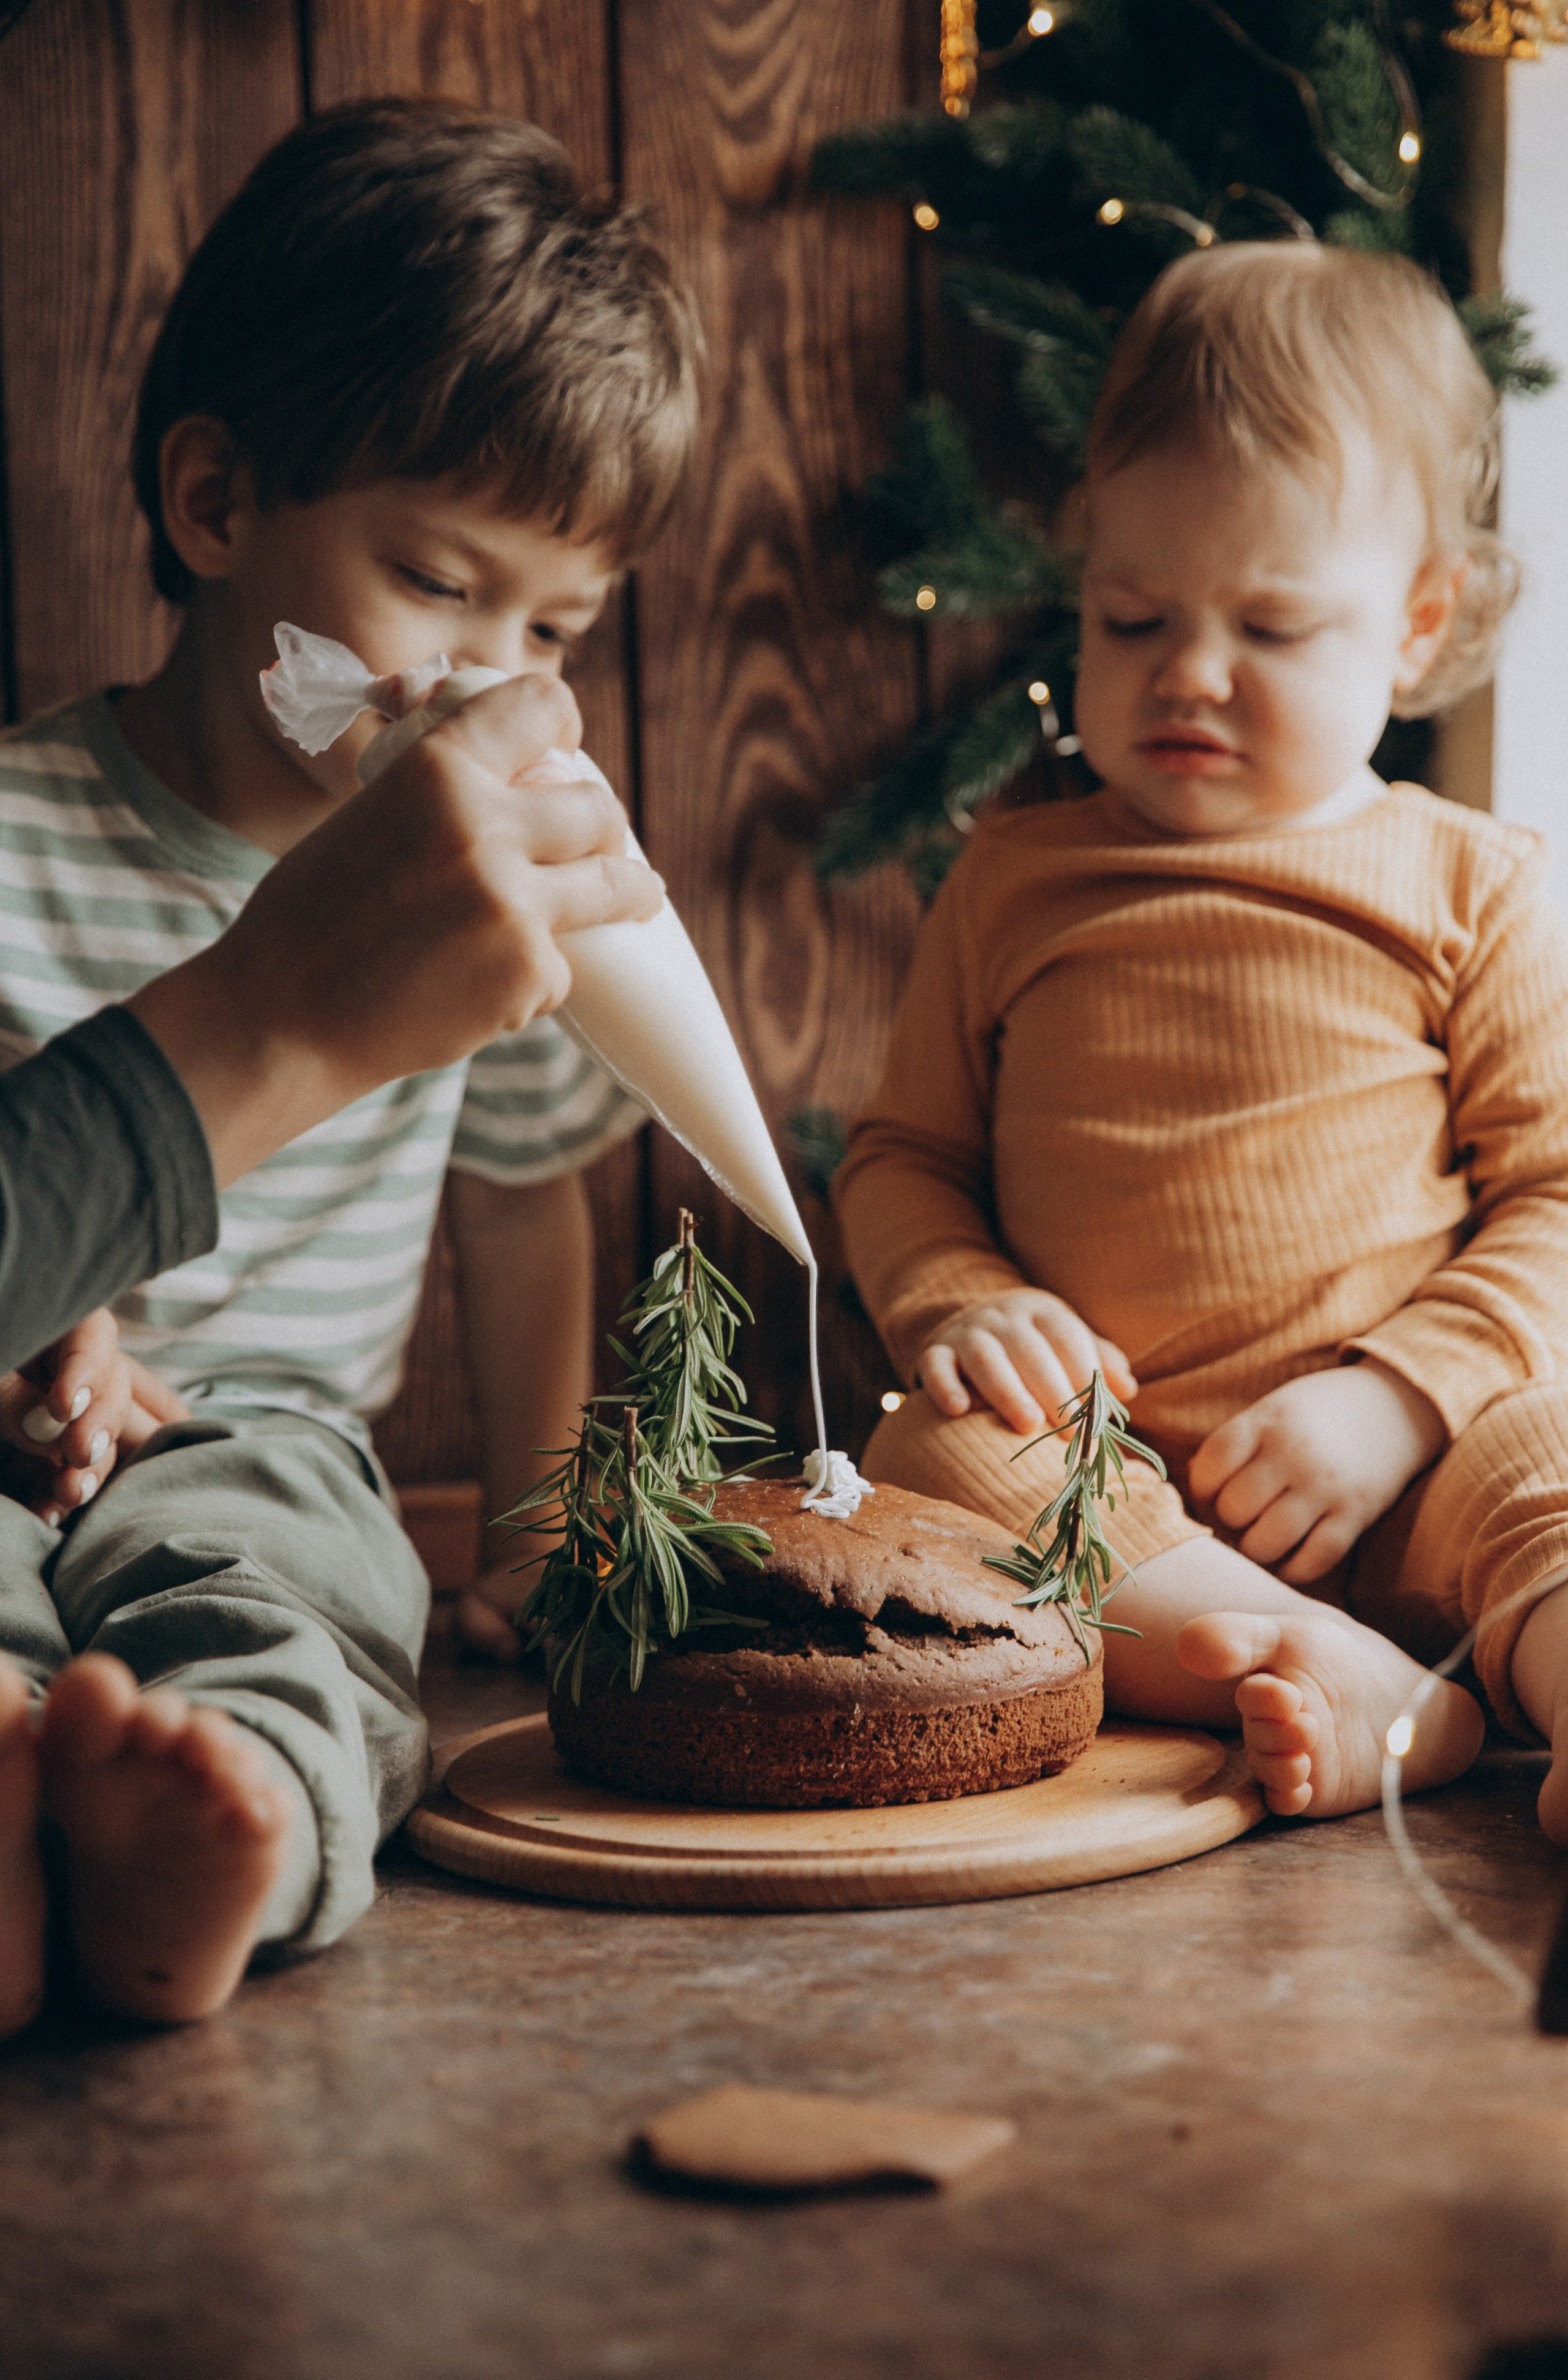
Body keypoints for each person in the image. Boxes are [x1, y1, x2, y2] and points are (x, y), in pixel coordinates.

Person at [0, 96, 699, 2038]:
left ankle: (216, 1839)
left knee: (290, 1601)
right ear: (218, 504)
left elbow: (524, 1197)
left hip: (272, 1436)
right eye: (441, 586)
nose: (490, 681)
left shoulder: (499, 905)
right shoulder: (17, 833)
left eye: (555, 626)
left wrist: (538, 1529)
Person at [838, 239, 1568, 1843]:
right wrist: (961, 1298)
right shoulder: (1015, 878)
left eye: (1274, 626)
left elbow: (1559, 1200)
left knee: (1558, 1458)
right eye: (1131, 615)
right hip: (1122, 1486)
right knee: (932, 1454)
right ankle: (1350, 1677)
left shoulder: (1470, 882)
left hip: (1425, 1454)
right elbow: (903, 1157)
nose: (1188, 672)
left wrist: (1398, 1400)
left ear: (1417, 624)